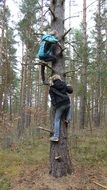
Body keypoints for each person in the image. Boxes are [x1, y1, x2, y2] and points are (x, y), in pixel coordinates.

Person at [49, 74, 73, 142]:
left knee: (57, 120)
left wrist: (55, 106)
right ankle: (68, 119)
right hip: (67, 102)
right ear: (59, 78)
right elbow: (70, 91)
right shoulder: (64, 84)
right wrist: (69, 86)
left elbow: (53, 99)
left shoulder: (52, 88)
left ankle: (56, 137)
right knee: (70, 106)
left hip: (60, 105)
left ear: (53, 80)